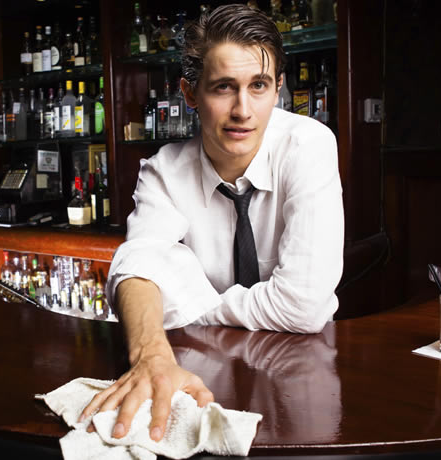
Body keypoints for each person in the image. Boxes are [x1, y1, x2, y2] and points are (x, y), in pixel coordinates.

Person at [79, 3, 344, 443]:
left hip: (302, 370)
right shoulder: (164, 171)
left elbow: (302, 307)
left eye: (258, 86)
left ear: (278, 88)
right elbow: (137, 265)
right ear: (190, 93)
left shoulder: (308, 145)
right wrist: (150, 354)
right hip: (203, 373)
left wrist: (188, 303)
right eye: (223, 87)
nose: (243, 110)